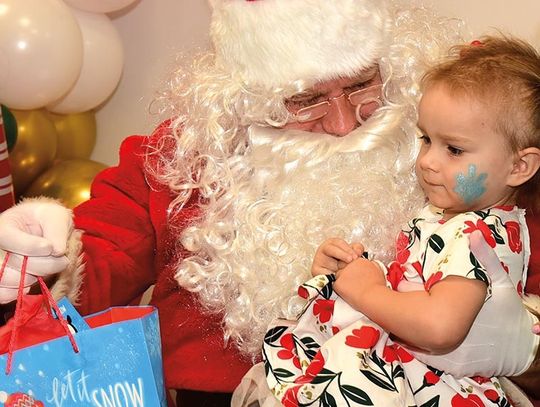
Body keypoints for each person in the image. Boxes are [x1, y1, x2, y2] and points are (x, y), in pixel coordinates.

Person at [0, 1, 537, 406]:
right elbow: (99, 262)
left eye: (361, 84)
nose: (345, 124)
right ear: (245, 95)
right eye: (305, 100)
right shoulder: (181, 154)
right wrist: (47, 259)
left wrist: (522, 341)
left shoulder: (460, 144)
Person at [257, 35, 540, 407]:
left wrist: (368, 293)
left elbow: (439, 328)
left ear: (519, 166)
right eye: (425, 139)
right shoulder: (449, 216)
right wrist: (347, 276)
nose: (426, 161)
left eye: (453, 149)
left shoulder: (479, 234)